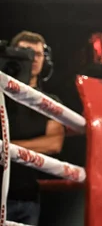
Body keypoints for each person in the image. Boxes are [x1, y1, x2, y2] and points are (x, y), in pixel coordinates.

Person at [3, 31, 65, 225]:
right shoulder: (0, 95)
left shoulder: (50, 103)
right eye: (25, 52)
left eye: (37, 54)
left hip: (26, 197)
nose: (32, 58)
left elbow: (54, 143)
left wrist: (7, 148)